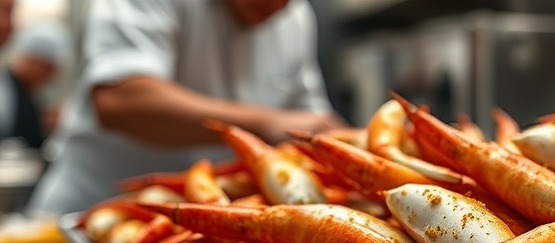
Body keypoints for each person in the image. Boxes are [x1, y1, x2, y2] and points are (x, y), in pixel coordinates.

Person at [27, 0, 347, 215]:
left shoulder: (295, 16)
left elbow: (309, 125)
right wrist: (262, 125)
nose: (278, 4)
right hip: (90, 215)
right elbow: (120, 100)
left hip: (211, 226)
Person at [1, 20, 71, 150]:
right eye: (49, 68)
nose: (51, 77)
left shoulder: (29, 95)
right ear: (33, 60)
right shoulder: (5, 92)